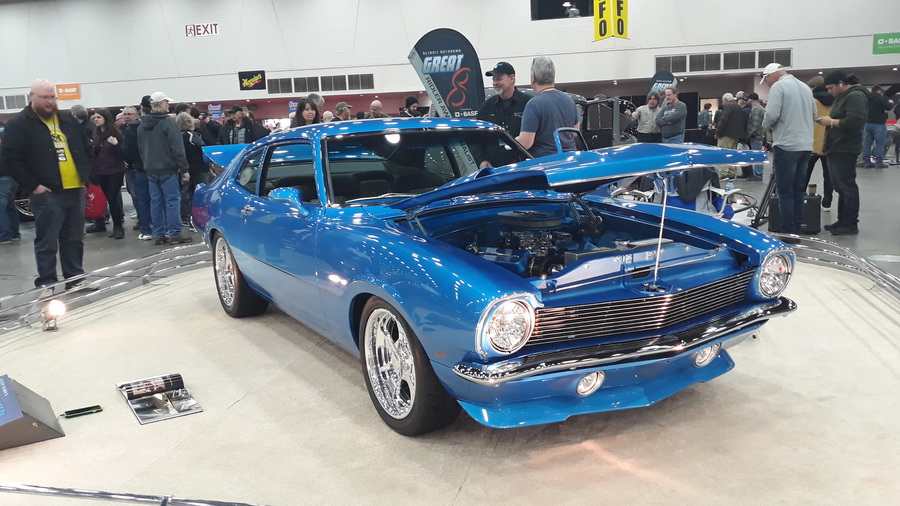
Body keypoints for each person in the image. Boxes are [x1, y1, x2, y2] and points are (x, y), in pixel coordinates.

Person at [0, 78, 93, 288]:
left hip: (75, 189)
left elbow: (86, 147)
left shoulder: (67, 119)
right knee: (47, 241)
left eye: (52, 97)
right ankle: (47, 281)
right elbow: (11, 160)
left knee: (74, 239)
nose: (50, 101)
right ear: (31, 96)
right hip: (46, 192)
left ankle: (75, 279)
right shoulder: (19, 124)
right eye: (44, 97)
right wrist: (33, 186)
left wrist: (86, 174)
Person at [760, 62, 816, 235]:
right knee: (799, 190)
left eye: (766, 80)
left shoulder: (779, 87)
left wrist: (764, 127)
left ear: (770, 75)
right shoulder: (805, 87)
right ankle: (797, 229)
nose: (767, 84)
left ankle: (787, 232)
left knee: (785, 191)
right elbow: (814, 115)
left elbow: (771, 114)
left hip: (786, 145)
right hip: (806, 146)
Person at [816, 70, 867, 236]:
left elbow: (855, 121)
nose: (829, 92)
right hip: (836, 147)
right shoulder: (844, 97)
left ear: (840, 83)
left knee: (847, 186)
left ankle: (850, 223)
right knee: (840, 186)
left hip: (845, 148)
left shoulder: (855, 96)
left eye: (831, 88)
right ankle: (842, 220)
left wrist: (830, 121)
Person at [137, 91, 191, 246]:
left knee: (156, 202)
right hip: (168, 168)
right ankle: (175, 234)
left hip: (150, 169)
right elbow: (177, 148)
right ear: (160, 104)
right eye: (166, 102)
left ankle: (159, 234)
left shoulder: (142, 125)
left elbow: (141, 149)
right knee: (172, 201)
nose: (168, 105)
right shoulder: (168, 122)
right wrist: (184, 168)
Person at [516, 56, 579, 158]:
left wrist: (513, 140)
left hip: (547, 161)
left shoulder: (534, 104)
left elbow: (526, 143)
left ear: (533, 78)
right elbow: (575, 131)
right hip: (570, 159)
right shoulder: (569, 100)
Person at [89, 108, 127, 239]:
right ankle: (103, 224)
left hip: (115, 170)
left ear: (105, 118)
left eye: (99, 117)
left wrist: (116, 144)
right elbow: (94, 154)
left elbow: (124, 153)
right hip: (100, 171)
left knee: (112, 198)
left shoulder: (116, 134)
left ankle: (118, 227)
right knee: (104, 198)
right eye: (95, 117)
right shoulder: (96, 135)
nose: (96, 119)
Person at [123, 101, 154, 240]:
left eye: (129, 114)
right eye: (124, 114)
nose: (126, 116)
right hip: (142, 167)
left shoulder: (132, 131)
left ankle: (145, 225)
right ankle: (149, 224)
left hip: (138, 168)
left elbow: (129, 151)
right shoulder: (130, 129)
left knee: (141, 198)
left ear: (137, 115)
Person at [805, 76, 835, 210]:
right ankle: (827, 203)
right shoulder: (835, 101)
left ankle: (801, 198)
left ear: (813, 87)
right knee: (828, 176)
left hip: (811, 142)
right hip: (829, 142)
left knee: (804, 174)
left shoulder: (811, 101)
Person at [477, 61, 532, 136]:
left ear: (511, 79)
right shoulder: (487, 106)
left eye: (499, 79)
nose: (495, 83)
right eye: (493, 80)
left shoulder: (528, 103)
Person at [176, 112, 209, 227]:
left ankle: (186, 218)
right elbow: (202, 148)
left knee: (186, 194)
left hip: (185, 169)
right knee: (201, 195)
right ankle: (198, 220)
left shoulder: (177, 137)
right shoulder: (192, 136)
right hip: (199, 168)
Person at [861, 85, 894, 168]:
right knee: (879, 144)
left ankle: (866, 162)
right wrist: (891, 103)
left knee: (867, 144)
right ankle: (879, 162)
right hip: (879, 124)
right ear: (879, 90)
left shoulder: (865, 98)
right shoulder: (881, 98)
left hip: (867, 123)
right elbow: (888, 108)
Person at [744, 93, 767, 181]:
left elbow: (754, 124)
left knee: (757, 156)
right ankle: (758, 173)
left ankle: (758, 174)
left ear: (751, 100)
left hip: (756, 136)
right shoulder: (761, 108)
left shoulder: (756, 109)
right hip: (760, 135)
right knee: (758, 154)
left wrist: (747, 135)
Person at [0, 156, 21, 244]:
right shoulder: (6, 149)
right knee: (11, 208)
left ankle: (4, 237)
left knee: (1, 209)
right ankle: (14, 234)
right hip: (13, 178)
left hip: (2, 179)